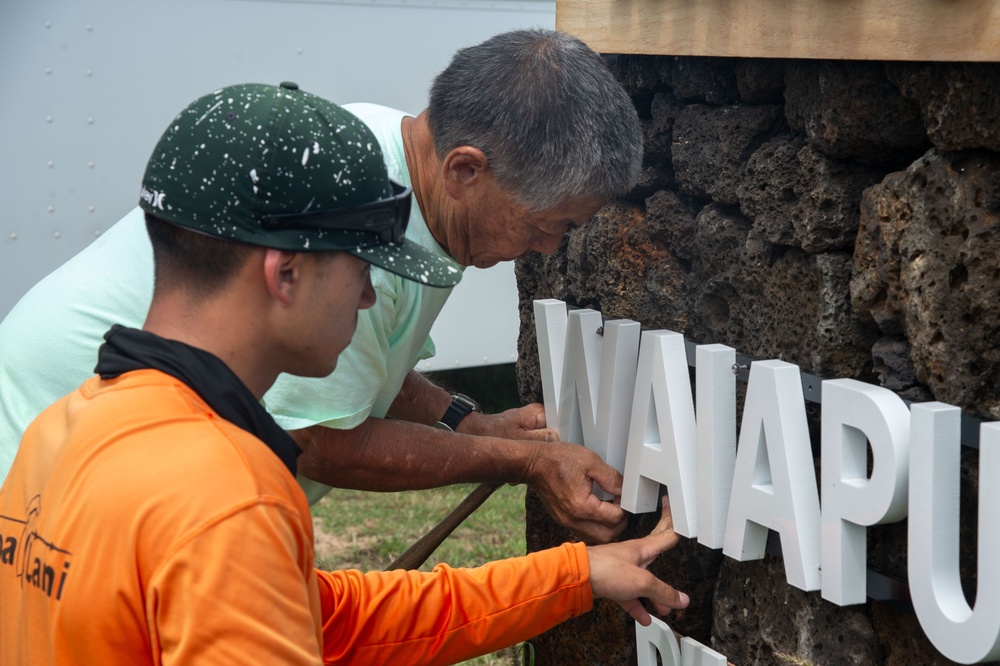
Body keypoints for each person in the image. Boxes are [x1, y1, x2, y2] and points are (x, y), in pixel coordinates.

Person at [0, 82, 688, 665]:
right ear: (286, 273)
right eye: (362, 270)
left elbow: (324, 618)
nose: (367, 298)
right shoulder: (228, 501)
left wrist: (570, 576)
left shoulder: (61, 430)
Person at [0, 28, 642, 544]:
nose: (550, 248)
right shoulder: (349, 215)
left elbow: (365, 371)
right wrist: (523, 463)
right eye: (545, 224)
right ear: (466, 169)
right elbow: (320, 441)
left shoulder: (403, 176)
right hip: (55, 481)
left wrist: (466, 422)